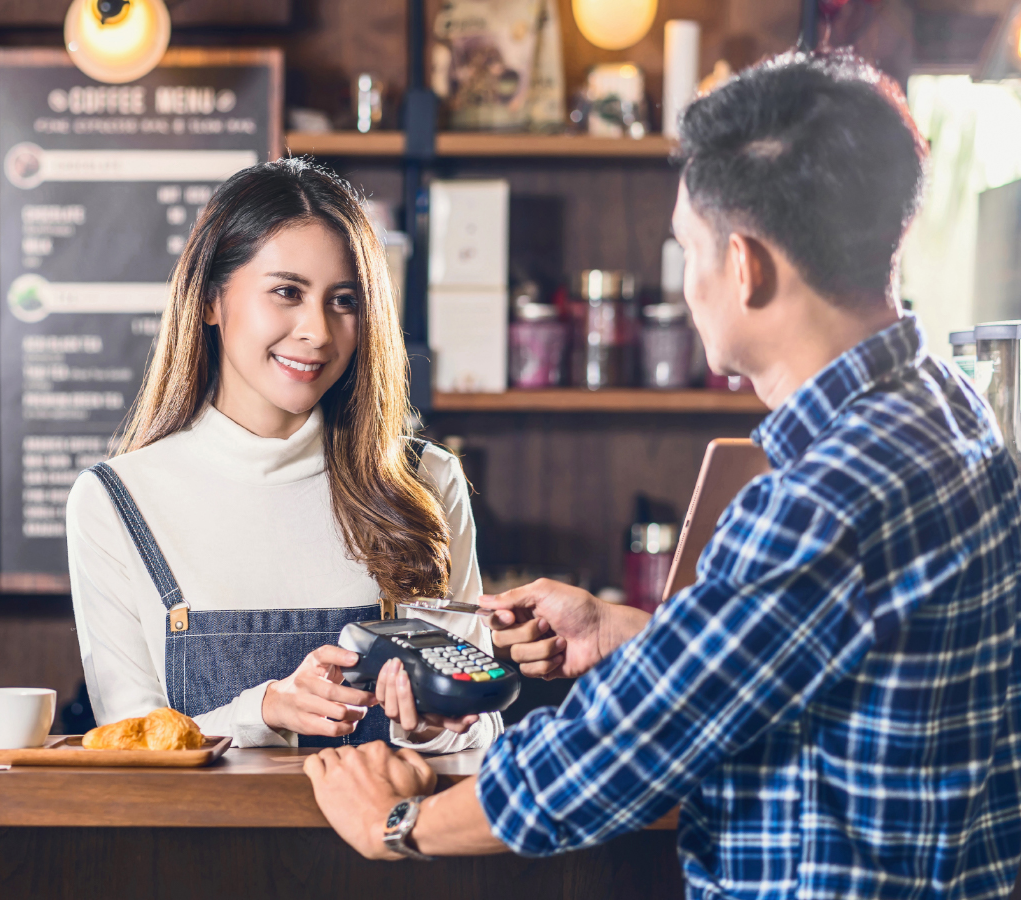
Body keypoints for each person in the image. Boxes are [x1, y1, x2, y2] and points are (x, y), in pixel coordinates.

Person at [306, 51, 1021, 900]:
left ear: (746, 266)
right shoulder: (954, 412)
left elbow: (609, 755)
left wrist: (399, 827)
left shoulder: (816, 499)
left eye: (688, 249)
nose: (686, 284)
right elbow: (842, 657)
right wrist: (634, 632)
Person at [66, 159, 499, 750]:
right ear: (212, 300)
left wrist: (426, 727)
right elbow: (131, 740)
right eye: (287, 292)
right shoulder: (117, 500)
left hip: (382, 837)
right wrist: (262, 709)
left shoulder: (424, 480)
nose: (317, 331)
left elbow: (482, 731)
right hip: (198, 843)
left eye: (342, 300)